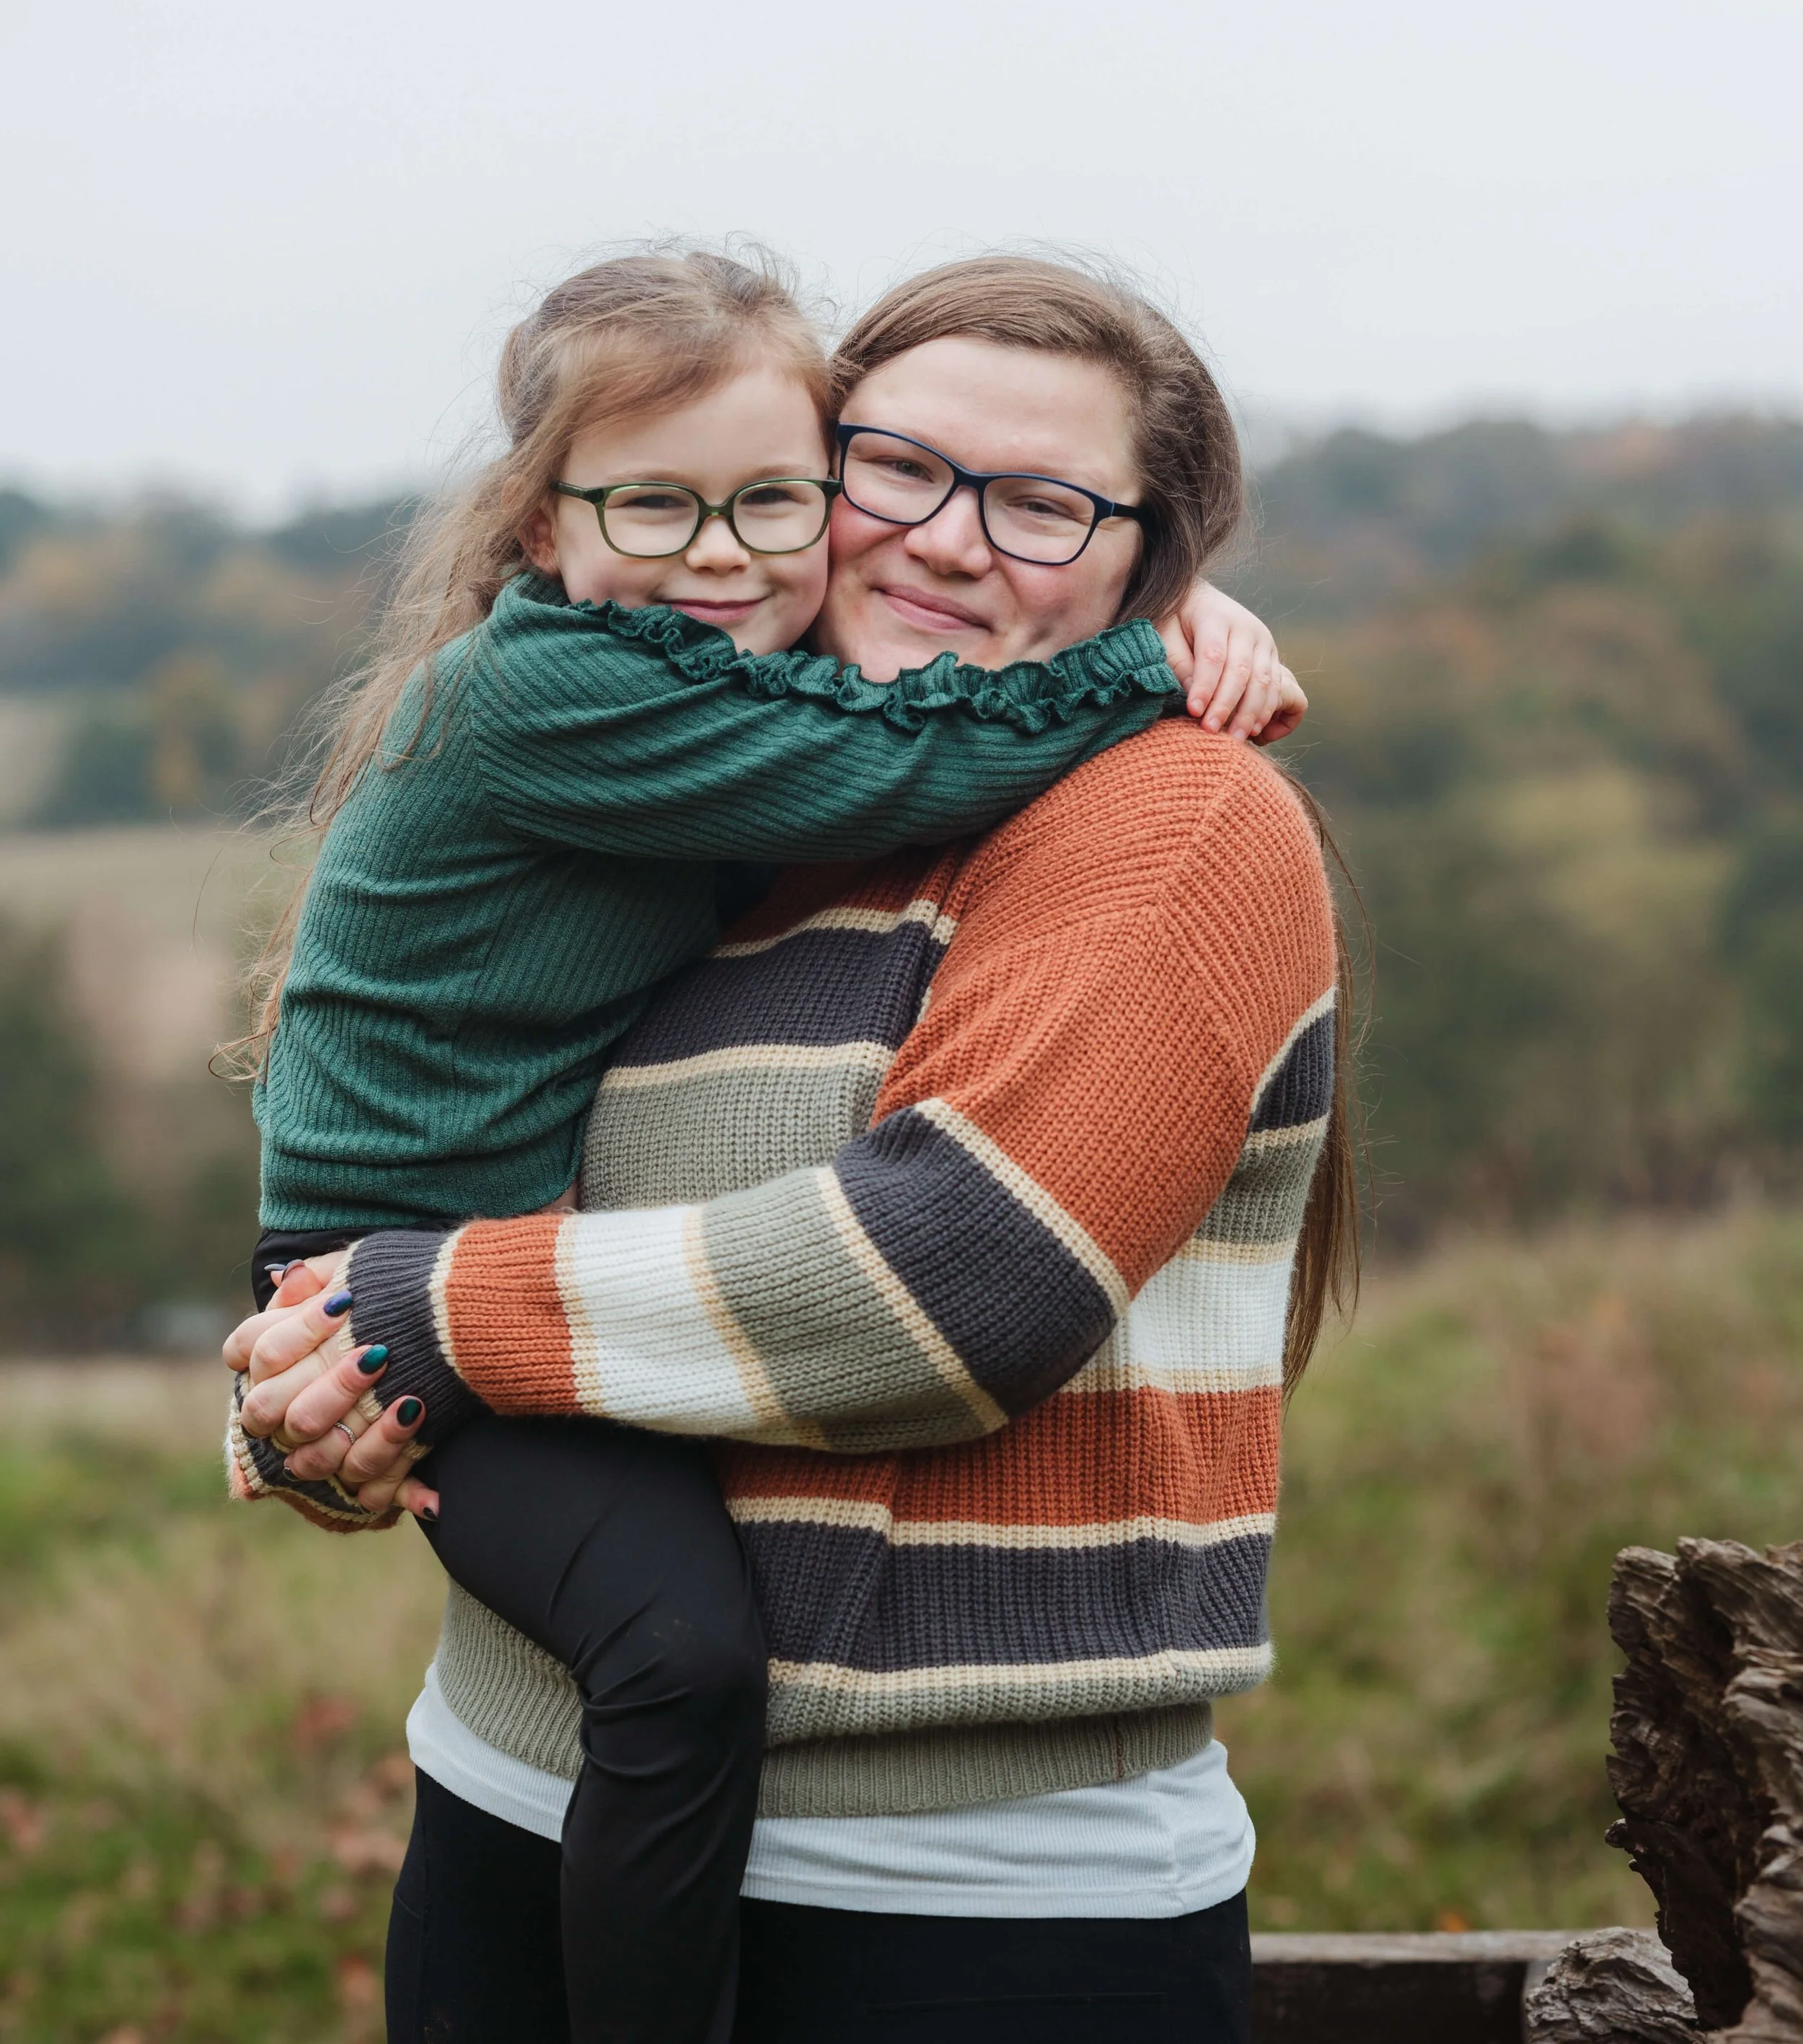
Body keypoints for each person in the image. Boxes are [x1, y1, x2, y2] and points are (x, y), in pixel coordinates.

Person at [226, 247, 1308, 2044]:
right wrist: (316, 1381)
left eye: (1042, 505)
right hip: (512, 1813)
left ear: (1144, 554)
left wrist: (420, 1312)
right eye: (898, 467)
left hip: (954, 1912)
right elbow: (455, 1161)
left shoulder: (1158, 818)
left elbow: (946, 1288)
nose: (950, 540)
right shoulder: (724, 803)